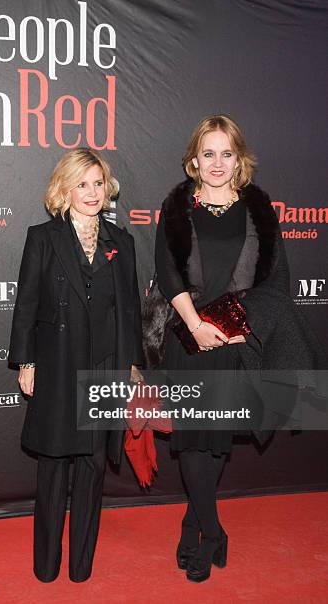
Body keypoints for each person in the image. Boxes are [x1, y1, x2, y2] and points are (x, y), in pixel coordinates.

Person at [142, 114, 326, 583]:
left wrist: (250, 328)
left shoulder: (259, 211)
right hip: (189, 340)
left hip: (236, 344)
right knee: (191, 443)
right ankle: (214, 531)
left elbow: (276, 282)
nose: (218, 162)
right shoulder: (177, 209)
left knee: (215, 443)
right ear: (194, 162)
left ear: (239, 159)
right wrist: (196, 325)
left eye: (227, 153)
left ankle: (191, 526)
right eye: (209, 153)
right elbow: (168, 274)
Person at [8, 148, 143, 583]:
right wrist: (26, 360)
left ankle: (81, 566)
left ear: (108, 190)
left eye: (98, 183)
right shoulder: (43, 237)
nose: (91, 192)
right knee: (53, 467)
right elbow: (26, 304)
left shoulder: (122, 242)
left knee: (93, 467)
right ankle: (45, 566)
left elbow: (130, 310)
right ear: (64, 189)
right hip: (59, 366)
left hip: (104, 369)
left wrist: (133, 367)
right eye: (82, 183)